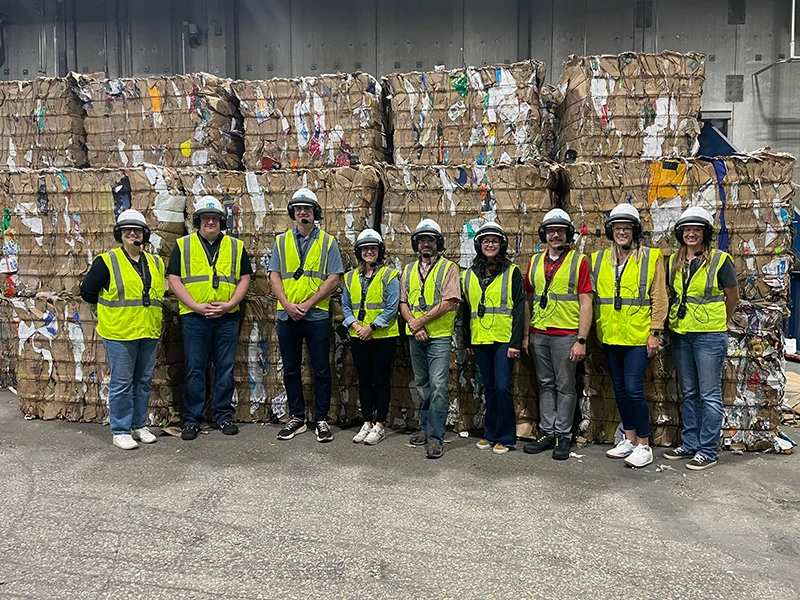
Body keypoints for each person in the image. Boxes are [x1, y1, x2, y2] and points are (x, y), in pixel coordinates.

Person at [590, 204, 668, 468]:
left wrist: (655, 332)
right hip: (611, 335)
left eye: (626, 228)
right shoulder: (599, 259)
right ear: (610, 230)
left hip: (637, 336)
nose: (621, 232)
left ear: (635, 230)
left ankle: (645, 446)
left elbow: (659, 297)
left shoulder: (650, 257)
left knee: (634, 389)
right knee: (620, 389)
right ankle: (630, 440)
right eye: (616, 227)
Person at [168, 196, 251, 441]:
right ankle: (192, 419)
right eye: (206, 218)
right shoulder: (183, 245)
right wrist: (195, 306)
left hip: (227, 317)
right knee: (195, 368)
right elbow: (174, 278)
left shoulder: (236, 246)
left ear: (221, 222)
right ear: (198, 221)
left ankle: (224, 415)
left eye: (215, 218)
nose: (211, 222)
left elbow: (245, 278)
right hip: (194, 317)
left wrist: (229, 305)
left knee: (225, 368)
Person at [80, 209, 165, 450]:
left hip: (148, 330)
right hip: (120, 332)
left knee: (144, 381)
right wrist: (106, 315)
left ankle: (139, 425)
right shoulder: (106, 261)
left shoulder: (156, 262)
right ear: (119, 233)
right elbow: (88, 292)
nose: (132, 233)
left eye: (137, 229)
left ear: (144, 234)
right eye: (127, 229)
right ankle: (120, 429)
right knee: (122, 382)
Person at [664, 207, 739, 471]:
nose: (691, 234)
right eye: (687, 229)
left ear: (705, 233)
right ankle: (690, 443)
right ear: (680, 233)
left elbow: (733, 297)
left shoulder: (720, 260)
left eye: (697, 229)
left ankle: (707, 450)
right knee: (690, 392)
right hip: (681, 333)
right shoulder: (674, 261)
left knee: (709, 394)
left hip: (708, 335)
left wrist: (720, 322)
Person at [268, 188, 343, 443]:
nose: (303, 212)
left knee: (321, 368)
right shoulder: (281, 241)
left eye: (307, 209)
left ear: (315, 214)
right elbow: (274, 275)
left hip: (317, 316)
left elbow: (333, 278)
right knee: (291, 369)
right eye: (299, 209)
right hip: (287, 316)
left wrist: (309, 303)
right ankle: (297, 417)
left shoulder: (328, 242)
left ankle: (321, 419)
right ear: (293, 213)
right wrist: (287, 304)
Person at [522, 208, 593, 461]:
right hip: (539, 334)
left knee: (565, 386)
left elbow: (586, 302)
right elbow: (529, 299)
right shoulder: (534, 262)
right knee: (545, 384)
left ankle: (563, 435)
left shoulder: (579, 261)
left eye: (560, 231)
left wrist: (581, 339)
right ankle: (548, 432)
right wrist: (526, 335)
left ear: (567, 234)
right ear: (544, 234)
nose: (555, 235)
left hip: (565, 335)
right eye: (551, 231)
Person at [461, 222, 525, 455]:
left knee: (502, 387)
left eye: (495, 241)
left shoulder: (512, 272)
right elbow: (465, 310)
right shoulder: (469, 274)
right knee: (488, 388)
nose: (490, 244)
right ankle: (489, 434)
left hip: (503, 338)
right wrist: (467, 341)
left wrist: (515, 343)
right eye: (486, 241)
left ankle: (506, 437)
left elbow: (519, 308)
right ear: (479, 245)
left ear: (501, 245)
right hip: (480, 339)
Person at [399, 219, 460, 459]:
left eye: (430, 240)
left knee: (437, 387)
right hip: (416, 335)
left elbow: (449, 302)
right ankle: (425, 428)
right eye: (422, 239)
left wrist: (420, 321)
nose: (426, 243)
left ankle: (436, 438)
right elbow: (403, 303)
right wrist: (414, 326)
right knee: (423, 385)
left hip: (439, 337)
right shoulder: (408, 270)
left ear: (438, 243)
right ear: (416, 243)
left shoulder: (449, 268)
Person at [343, 229, 399, 445]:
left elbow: (392, 307)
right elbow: (346, 306)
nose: (369, 252)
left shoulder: (390, 275)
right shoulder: (349, 277)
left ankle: (380, 424)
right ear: (359, 252)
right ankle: (366, 421)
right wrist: (357, 326)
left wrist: (371, 327)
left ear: (379, 251)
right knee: (364, 380)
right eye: (365, 249)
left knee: (381, 380)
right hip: (358, 336)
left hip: (382, 336)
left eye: (373, 248)